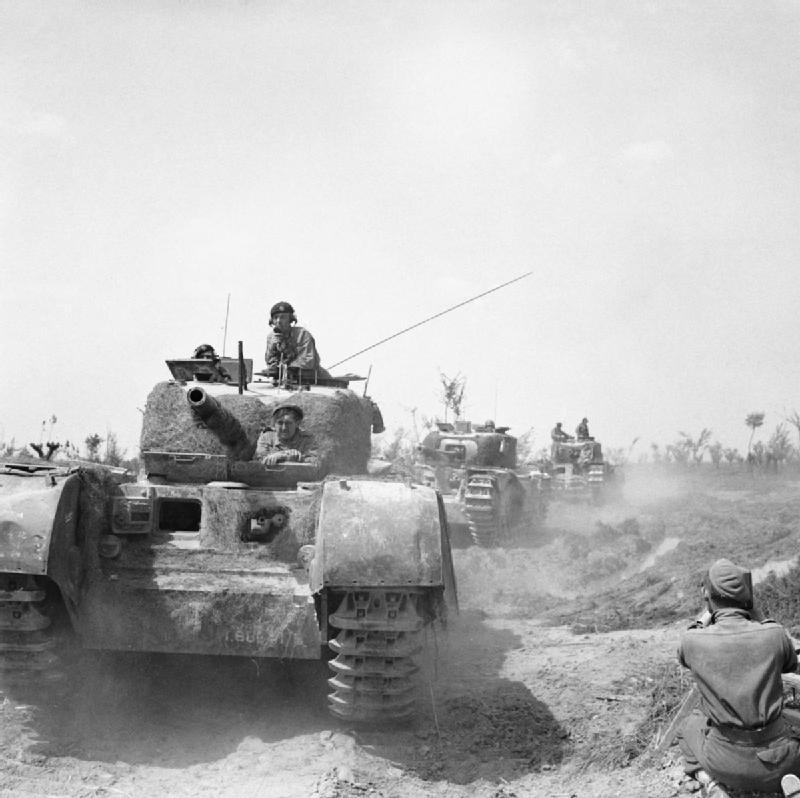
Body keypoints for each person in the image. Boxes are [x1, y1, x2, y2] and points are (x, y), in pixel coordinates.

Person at [676, 558, 800, 797]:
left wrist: (707, 613)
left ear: (707, 596)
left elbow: (685, 653)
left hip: (724, 765)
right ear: (747, 598)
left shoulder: (692, 641)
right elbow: (790, 665)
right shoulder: (774, 634)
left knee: (687, 727)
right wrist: (757, 614)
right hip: (783, 762)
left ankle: (710, 784)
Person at [264, 301, 328, 380]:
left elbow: (308, 361)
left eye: (282, 317)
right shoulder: (271, 337)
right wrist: (273, 347)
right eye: (275, 317)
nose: (278, 321)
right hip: (284, 381)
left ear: (290, 319)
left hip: (313, 380)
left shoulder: (302, 335)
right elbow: (270, 362)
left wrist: (287, 367)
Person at [255, 404, 321, 469]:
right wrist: (283, 454)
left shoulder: (307, 439)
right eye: (280, 423)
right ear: (274, 424)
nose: (284, 428)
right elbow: (259, 459)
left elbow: (315, 462)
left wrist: (292, 458)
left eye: (288, 423)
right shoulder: (267, 437)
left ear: (297, 424)